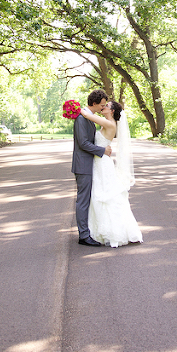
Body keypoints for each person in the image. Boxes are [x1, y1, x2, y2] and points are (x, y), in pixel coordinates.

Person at [80, 100, 143, 248]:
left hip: (102, 164)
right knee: (98, 195)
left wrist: (76, 108)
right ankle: (97, 230)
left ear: (112, 111)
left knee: (105, 196)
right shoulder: (105, 123)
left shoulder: (109, 124)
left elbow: (86, 115)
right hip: (99, 162)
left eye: (106, 106)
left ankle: (114, 232)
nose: (103, 107)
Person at [72, 89, 112, 247]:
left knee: (89, 199)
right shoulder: (82, 118)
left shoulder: (88, 117)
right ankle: (83, 235)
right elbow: (83, 143)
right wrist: (102, 151)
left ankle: (88, 231)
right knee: (83, 201)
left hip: (90, 164)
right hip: (83, 165)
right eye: (101, 105)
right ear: (94, 103)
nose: (103, 108)